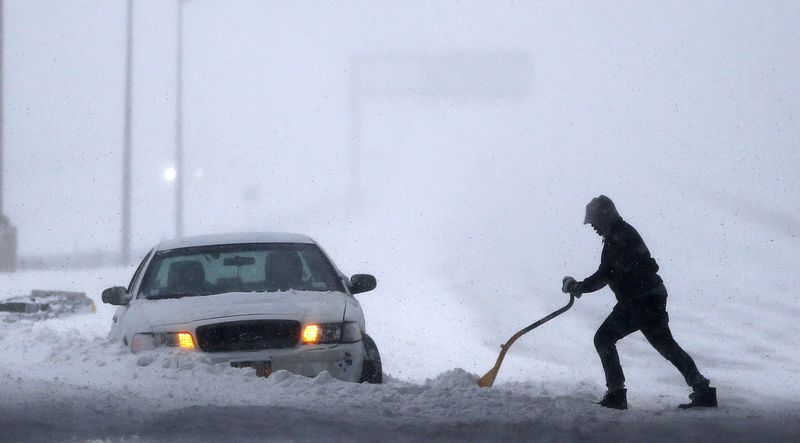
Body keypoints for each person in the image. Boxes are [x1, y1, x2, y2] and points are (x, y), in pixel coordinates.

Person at [562, 195, 717, 410]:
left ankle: (616, 393)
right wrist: (582, 286)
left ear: (604, 217)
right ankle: (703, 390)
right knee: (666, 345)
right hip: (649, 296)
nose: (594, 228)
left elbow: (606, 274)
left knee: (604, 338)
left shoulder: (619, 236)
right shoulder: (620, 233)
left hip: (640, 299)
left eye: (595, 222)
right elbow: (611, 272)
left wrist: (581, 287)